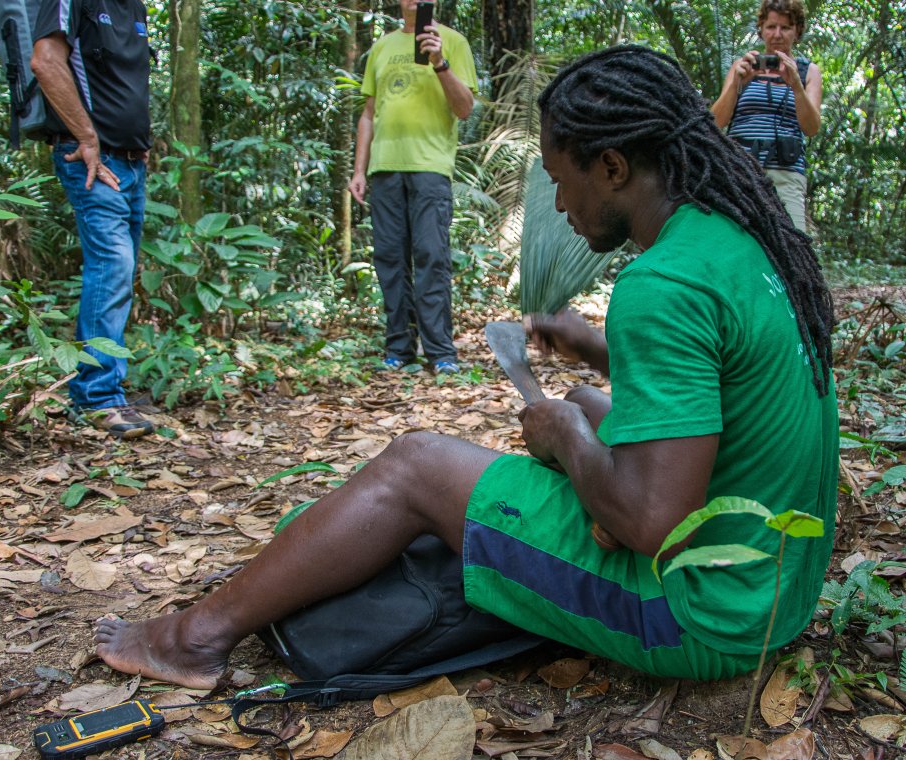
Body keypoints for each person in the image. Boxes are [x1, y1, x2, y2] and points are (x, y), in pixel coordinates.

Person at [94, 45, 838, 690]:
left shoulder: (662, 283)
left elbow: (652, 520)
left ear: (612, 166)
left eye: (560, 176)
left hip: (699, 615)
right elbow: (731, 374)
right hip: (776, 590)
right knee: (582, 395)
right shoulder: (743, 238)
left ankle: (192, 641)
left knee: (421, 462)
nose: (557, 200)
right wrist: (597, 352)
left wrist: (565, 440)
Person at [29, 0, 155, 438]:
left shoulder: (134, 8)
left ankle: (107, 388)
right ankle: (97, 397)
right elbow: (45, 61)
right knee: (112, 265)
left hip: (130, 162)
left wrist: (140, 147)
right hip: (90, 160)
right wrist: (87, 137)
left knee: (121, 269)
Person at [347, 0, 478, 376]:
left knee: (431, 256)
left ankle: (440, 352)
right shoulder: (382, 47)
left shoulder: (453, 42)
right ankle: (399, 348)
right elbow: (369, 114)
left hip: (430, 167)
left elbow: (465, 108)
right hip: (384, 168)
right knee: (389, 258)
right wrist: (359, 170)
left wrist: (439, 62)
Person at [710, 0, 823, 232]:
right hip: (739, 172)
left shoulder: (808, 72)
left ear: (797, 31)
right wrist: (737, 84)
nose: (777, 34)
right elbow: (715, 123)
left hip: (786, 174)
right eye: (771, 27)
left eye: (785, 27)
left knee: (793, 248)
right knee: (733, 243)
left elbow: (811, 128)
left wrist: (796, 87)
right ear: (761, 29)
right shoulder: (741, 67)